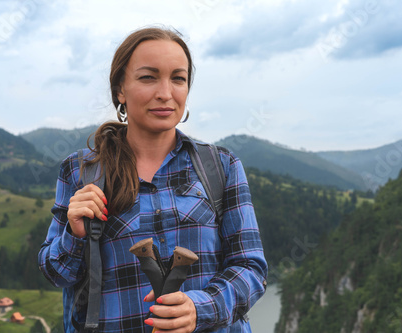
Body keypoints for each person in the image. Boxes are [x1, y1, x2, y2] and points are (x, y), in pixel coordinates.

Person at [38, 26, 268, 333]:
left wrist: (200, 309)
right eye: (148, 77)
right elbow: (58, 274)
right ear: (120, 88)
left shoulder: (221, 166)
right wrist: (75, 233)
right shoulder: (81, 171)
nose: (165, 92)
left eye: (178, 78)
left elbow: (251, 269)